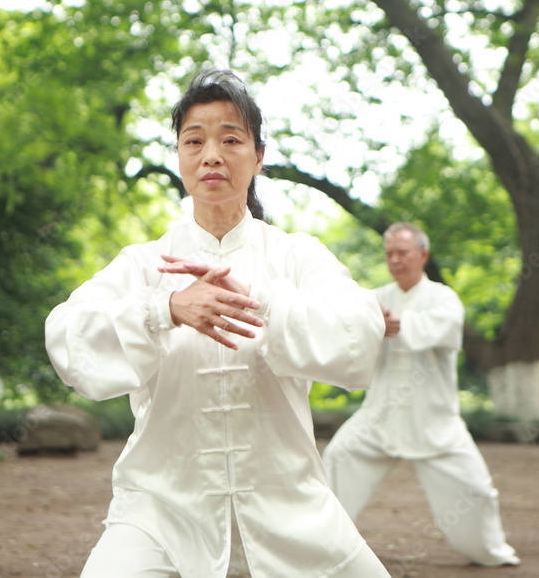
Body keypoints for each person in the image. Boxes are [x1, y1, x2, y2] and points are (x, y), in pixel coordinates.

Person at [44, 69, 390, 577]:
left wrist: (264, 301)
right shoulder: (144, 263)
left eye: (231, 139)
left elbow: (360, 333)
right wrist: (164, 310)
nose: (212, 155)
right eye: (194, 140)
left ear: (258, 157)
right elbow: (67, 336)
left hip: (290, 506)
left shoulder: (296, 256)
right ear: (180, 157)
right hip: (161, 509)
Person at [321, 223, 520, 567]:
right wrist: (369, 321)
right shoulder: (375, 297)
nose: (395, 260)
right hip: (379, 417)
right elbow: (347, 331)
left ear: (423, 255)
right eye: (389, 254)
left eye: (403, 253)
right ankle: (317, 547)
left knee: (475, 491)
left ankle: (490, 551)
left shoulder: (443, 298)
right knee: (334, 463)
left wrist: (395, 323)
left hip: (435, 421)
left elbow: (440, 328)